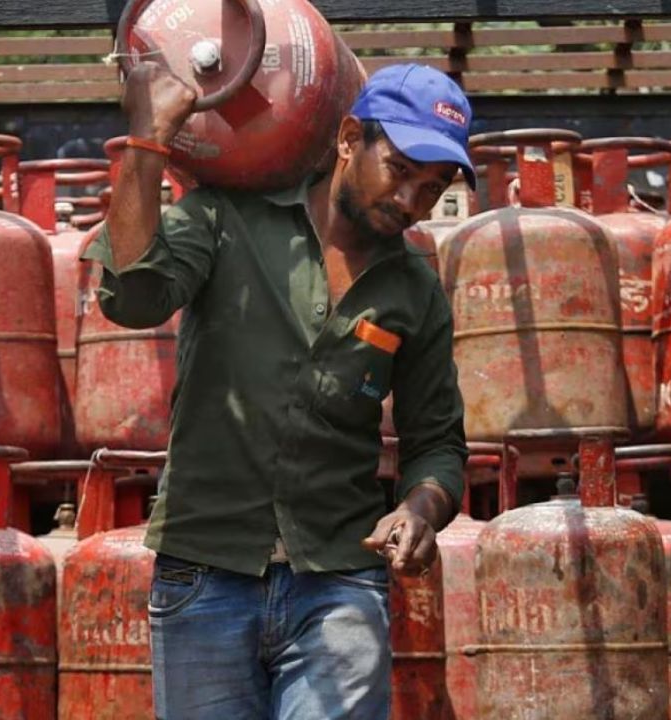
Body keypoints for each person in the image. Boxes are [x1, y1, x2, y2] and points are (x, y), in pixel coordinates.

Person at [82, 61, 472, 719]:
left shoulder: (415, 291)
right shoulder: (225, 219)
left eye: (431, 189)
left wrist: (420, 510)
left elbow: (437, 444)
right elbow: (133, 298)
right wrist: (148, 142)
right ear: (350, 138)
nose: (410, 201)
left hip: (338, 583)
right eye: (400, 170)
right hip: (205, 572)